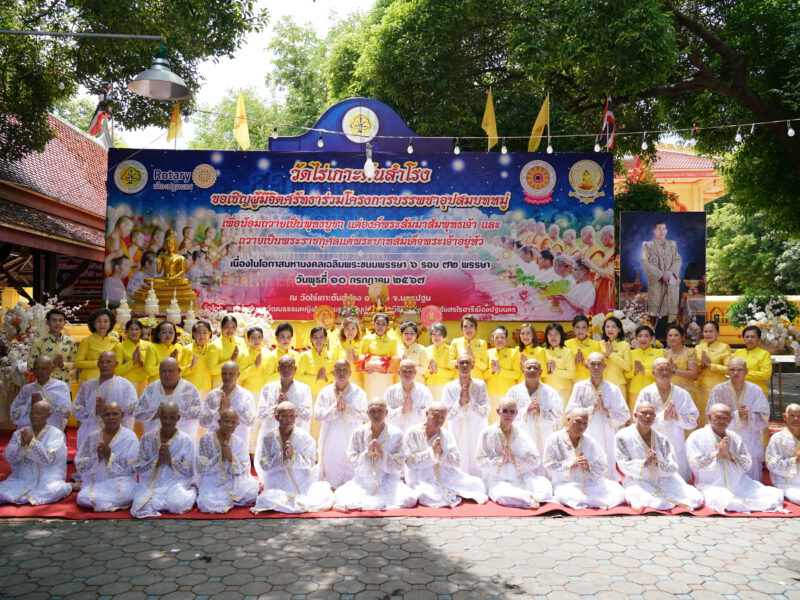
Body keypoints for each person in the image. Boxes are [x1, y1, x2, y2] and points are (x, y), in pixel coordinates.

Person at [686, 403, 783, 513]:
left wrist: (730, 456)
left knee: (776, 495)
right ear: (709, 416)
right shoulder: (697, 437)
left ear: (731, 419)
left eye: (725, 418)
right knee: (731, 502)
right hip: (710, 485)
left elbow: (747, 464)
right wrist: (716, 454)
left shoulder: (735, 437)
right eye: (717, 417)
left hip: (739, 484)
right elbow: (694, 464)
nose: (721, 421)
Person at [614, 401, 703, 511]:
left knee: (695, 499)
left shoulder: (662, 438)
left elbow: (673, 466)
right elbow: (622, 463)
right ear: (635, 415)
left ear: (655, 416)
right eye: (644, 413)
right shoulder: (622, 436)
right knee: (660, 504)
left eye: (651, 413)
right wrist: (644, 464)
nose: (647, 416)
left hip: (663, 479)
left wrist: (658, 463)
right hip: (638, 481)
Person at [332, 398, 417, 511]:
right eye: (372, 411)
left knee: (410, 499)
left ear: (386, 413)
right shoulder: (359, 432)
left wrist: (382, 454)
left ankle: (366, 504)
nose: (376, 415)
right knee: (341, 496)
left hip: (388, 481)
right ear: (367, 413)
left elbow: (400, 463)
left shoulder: (396, 433)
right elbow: (351, 458)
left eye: (380, 411)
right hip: (363, 481)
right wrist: (366, 454)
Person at [252, 401, 334, 514]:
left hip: (303, 483)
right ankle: (290, 505)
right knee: (264, 498)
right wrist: (282, 457)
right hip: (277, 485)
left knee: (324, 494)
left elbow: (310, 462)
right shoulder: (268, 438)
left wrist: (293, 456)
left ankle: (288, 505)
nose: (288, 420)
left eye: (291, 416)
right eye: (284, 416)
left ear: (296, 416)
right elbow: (264, 464)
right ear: (277, 417)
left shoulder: (304, 437)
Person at [402, 402, 488, 507]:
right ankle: (450, 493)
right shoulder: (412, 433)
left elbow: (457, 461)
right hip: (421, 477)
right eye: (436, 415)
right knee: (429, 496)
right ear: (427, 413)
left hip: (445, 474)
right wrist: (431, 452)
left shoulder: (447, 434)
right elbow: (409, 462)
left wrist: (442, 454)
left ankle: (451, 491)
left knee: (478, 484)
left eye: (442, 417)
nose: (439, 420)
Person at [476, 398, 554, 508]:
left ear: (517, 413)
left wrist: (514, 459)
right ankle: (528, 499)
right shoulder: (486, 433)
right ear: (498, 411)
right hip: (498, 479)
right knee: (502, 495)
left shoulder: (521, 434)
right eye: (505, 411)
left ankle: (525, 498)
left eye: (512, 411)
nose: (508, 414)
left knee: (544, 485)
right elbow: (480, 461)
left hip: (520, 476)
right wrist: (500, 460)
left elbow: (535, 460)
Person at [543, 407, 625, 510]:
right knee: (563, 495)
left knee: (618, 490)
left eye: (585, 423)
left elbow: (603, 464)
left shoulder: (589, 441)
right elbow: (548, 463)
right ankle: (596, 502)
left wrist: (589, 466)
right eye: (578, 421)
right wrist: (570, 465)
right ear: (568, 420)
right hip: (566, 485)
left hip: (590, 484)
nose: (581, 426)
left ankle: (591, 502)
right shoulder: (554, 438)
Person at [565, 353, 630, 480]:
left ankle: (608, 480)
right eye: (592, 364)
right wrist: (591, 409)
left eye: (599, 364)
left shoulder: (613, 389)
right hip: (585, 432)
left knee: (606, 463)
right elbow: (570, 412)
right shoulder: (579, 387)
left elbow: (625, 415)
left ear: (604, 366)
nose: (596, 368)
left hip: (607, 432)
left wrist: (605, 411)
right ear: (587, 366)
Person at [633, 358, 699, 482]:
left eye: (667, 369)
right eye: (660, 369)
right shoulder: (646, 393)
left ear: (672, 371)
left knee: (677, 480)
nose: (664, 372)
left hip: (675, 440)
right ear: (653, 372)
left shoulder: (682, 394)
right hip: (651, 439)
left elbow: (693, 420)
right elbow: (637, 419)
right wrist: (661, 417)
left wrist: (676, 417)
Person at [706, 357, 770, 481]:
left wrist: (749, 416)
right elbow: (710, 414)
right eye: (732, 370)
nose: (735, 373)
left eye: (739, 370)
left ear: (746, 371)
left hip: (748, 436)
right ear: (727, 371)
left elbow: (765, 415)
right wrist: (735, 416)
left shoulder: (755, 390)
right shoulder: (718, 390)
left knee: (749, 474)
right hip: (725, 436)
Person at [130, 401, 197, 518]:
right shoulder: (147, 438)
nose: (167, 422)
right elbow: (138, 467)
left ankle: (192, 492)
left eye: (172, 418)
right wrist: (156, 462)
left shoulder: (186, 440)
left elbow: (190, 471)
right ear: (159, 417)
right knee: (139, 505)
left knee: (176, 504)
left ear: (178, 418)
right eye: (164, 417)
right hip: (151, 484)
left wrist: (171, 461)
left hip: (176, 483)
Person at [0, 400, 72, 505]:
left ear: (48, 415)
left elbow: (48, 459)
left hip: (47, 477)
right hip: (22, 478)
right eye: (32, 413)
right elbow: (9, 458)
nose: (34, 416)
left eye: (38, 413)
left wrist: (31, 442)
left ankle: (69, 486)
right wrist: (22, 446)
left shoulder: (56, 434)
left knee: (54, 490)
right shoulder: (20, 433)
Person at [255, 355, 312, 481]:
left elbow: (307, 415)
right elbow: (260, 414)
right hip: (272, 435)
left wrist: (289, 404)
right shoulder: (268, 388)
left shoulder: (304, 389)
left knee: (293, 473)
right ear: (278, 368)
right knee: (269, 470)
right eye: (283, 366)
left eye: (289, 366)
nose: (286, 369)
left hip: (294, 435)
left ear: (295, 369)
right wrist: (276, 407)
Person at [75, 402, 140, 512]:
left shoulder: (130, 437)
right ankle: (107, 503)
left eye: (115, 414)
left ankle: (102, 503)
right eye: (107, 414)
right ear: (101, 416)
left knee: (127, 490)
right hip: (98, 482)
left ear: (122, 415)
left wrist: (110, 457)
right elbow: (80, 463)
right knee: (81, 498)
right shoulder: (92, 437)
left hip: (121, 482)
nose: (111, 418)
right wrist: (97, 458)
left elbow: (133, 467)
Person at [314, 359, 368, 488]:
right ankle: (329, 486)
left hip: (351, 436)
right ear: (333, 373)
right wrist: (334, 409)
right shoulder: (325, 392)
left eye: (345, 370)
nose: (341, 373)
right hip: (330, 438)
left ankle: (350, 487)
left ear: (350, 373)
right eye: (338, 370)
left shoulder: (359, 392)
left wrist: (347, 408)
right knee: (330, 464)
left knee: (350, 466)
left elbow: (365, 415)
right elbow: (317, 416)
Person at [196, 408, 259, 513]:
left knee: (251, 492)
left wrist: (230, 458)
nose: (230, 425)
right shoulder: (206, 439)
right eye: (227, 421)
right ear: (219, 422)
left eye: (233, 422)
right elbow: (200, 467)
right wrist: (220, 457)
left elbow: (243, 468)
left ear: (237, 425)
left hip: (232, 480)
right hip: (212, 480)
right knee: (207, 503)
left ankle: (230, 498)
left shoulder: (239, 443)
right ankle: (230, 499)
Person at [73, 351, 138, 451]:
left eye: (108, 362)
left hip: (117, 436)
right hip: (91, 433)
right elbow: (76, 410)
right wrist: (95, 411)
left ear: (116, 364)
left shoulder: (125, 385)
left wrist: (108, 411)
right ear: (98, 364)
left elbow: (133, 409)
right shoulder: (88, 386)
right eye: (101, 362)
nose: (104, 365)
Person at [506, 358, 563, 473]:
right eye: (528, 367)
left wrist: (540, 411)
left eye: (535, 368)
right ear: (523, 370)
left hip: (544, 437)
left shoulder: (550, 392)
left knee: (544, 468)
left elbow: (558, 416)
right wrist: (525, 411)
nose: (532, 370)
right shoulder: (514, 391)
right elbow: (505, 415)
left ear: (541, 372)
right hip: (521, 437)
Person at [442, 354, 490, 476]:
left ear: (472, 366)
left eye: (467, 363)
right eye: (461, 363)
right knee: (459, 452)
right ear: (456, 366)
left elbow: (485, 411)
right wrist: (460, 403)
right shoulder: (449, 387)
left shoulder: (480, 385)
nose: (464, 366)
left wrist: (470, 402)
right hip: (457, 428)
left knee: (476, 451)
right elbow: (447, 414)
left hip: (476, 427)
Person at [135, 357, 202, 439]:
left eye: (170, 371)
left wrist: (175, 413)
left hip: (183, 442)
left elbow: (199, 412)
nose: (167, 374)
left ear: (179, 371)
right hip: (155, 441)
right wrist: (156, 414)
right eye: (163, 371)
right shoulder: (151, 389)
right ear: (159, 372)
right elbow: (138, 413)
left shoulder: (189, 389)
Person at [199, 361, 256, 446]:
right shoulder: (212, 395)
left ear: (238, 375)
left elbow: (250, 421)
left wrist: (230, 409)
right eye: (224, 373)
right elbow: (202, 422)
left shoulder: (246, 395)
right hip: (215, 441)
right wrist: (217, 412)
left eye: (231, 374)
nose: (227, 377)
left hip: (238, 441)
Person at [11, 356, 71, 431]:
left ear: (51, 369)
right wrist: (29, 404)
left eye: (43, 368)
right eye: (36, 368)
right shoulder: (27, 389)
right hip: (29, 431)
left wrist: (44, 402)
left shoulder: (61, 387)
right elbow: (14, 414)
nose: (39, 372)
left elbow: (66, 413)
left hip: (52, 433)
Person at [297, 325, 335, 439]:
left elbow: (335, 374)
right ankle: (313, 454)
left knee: (327, 423)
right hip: (311, 394)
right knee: (313, 424)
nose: (318, 340)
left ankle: (323, 454)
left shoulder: (331, 355)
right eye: (316, 337)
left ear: (326, 339)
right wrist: (316, 378)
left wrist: (327, 377)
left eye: (321, 337)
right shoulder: (305, 355)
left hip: (327, 395)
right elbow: (298, 376)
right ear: (311, 339)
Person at [642, 221, 682, 321]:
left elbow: (678, 260)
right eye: (659, 228)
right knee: (656, 309)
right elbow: (645, 263)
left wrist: (670, 272)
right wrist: (660, 274)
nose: (661, 231)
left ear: (667, 231)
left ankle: (669, 331)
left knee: (670, 309)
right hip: (656, 283)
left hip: (670, 281)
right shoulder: (647, 245)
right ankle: (657, 332)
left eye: (664, 229)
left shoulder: (672, 245)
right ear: (654, 231)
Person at [27, 308, 76, 386]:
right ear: (47, 322)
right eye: (54, 320)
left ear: (64, 323)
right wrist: (52, 364)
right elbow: (30, 366)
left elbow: (75, 364)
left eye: (60, 320)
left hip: (64, 385)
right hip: (44, 385)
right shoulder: (39, 342)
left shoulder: (70, 342)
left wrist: (63, 365)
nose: (57, 323)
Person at [695, 321, 731, 427]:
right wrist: (701, 365)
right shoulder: (699, 347)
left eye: (711, 331)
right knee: (700, 416)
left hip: (717, 388)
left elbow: (729, 369)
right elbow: (693, 366)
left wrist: (711, 366)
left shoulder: (724, 347)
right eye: (705, 331)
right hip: (700, 388)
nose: (708, 334)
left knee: (715, 415)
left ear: (718, 333)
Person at [484, 326, 521, 424]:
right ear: (492, 339)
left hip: (508, 393)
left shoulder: (513, 353)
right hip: (491, 393)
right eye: (496, 337)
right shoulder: (488, 353)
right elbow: (484, 374)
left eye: (502, 337)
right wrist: (492, 370)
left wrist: (500, 370)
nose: (499, 340)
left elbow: (517, 374)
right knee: (492, 421)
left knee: (509, 422)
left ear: (507, 339)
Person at [384, 359, 433, 431]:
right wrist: (402, 410)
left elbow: (430, 415)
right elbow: (384, 414)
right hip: (396, 432)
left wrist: (413, 408)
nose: (407, 374)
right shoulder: (391, 391)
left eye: (410, 371)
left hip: (417, 432)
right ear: (399, 372)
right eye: (404, 371)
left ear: (415, 372)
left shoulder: (424, 391)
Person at [765, 404, 800, 503]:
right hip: (786, 481)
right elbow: (771, 464)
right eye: (792, 415)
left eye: (799, 416)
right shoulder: (777, 438)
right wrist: (794, 461)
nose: (796, 419)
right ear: (785, 416)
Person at [75, 308, 118, 387]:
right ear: (94, 324)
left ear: (110, 324)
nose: (102, 324)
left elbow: (117, 362)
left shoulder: (115, 341)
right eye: (99, 321)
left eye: (105, 321)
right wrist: (98, 363)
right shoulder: (86, 341)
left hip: (109, 381)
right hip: (88, 380)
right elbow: (78, 363)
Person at [625, 325, 664, 411]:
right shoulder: (631, 353)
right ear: (636, 338)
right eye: (640, 336)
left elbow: (661, 373)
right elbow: (625, 375)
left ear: (652, 338)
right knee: (635, 419)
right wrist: (634, 372)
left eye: (646, 336)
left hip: (653, 391)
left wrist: (644, 371)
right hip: (634, 391)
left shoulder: (659, 353)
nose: (643, 339)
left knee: (652, 418)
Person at [360, 314, 398, 401]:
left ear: (387, 326)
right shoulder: (367, 339)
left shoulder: (392, 340)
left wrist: (382, 367)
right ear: (374, 324)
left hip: (385, 376)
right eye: (378, 323)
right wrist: (368, 367)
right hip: (371, 375)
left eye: (383, 324)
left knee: (386, 400)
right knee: (371, 399)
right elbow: (362, 358)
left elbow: (394, 360)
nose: (380, 326)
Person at [180, 320, 220, 399]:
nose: (202, 336)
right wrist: (190, 367)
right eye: (199, 333)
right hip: (191, 389)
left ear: (210, 333)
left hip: (209, 388)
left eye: (205, 333)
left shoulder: (213, 349)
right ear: (193, 334)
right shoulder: (187, 349)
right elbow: (179, 370)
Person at [732, 325, 773, 399]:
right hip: (738, 391)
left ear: (759, 339)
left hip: (758, 392)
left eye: (753, 337)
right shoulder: (737, 353)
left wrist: (745, 373)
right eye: (747, 337)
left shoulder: (764, 354)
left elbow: (766, 374)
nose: (749, 339)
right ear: (743, 339)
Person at [540, 323, 575, 408]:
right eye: (550, 335)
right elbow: (540, 373)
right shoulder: (542, 351)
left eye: (556, 334)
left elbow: (571, 374)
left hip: (563, 391)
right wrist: (547, 370)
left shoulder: (567, 352)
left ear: (561, 335)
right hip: (547, 391)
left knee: (562, 420)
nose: (553, 337)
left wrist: (555, 370)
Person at [115, 319, 153, 396]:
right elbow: (117, 371)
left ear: (141, 331)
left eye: (136, 329)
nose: (134, 332)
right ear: (127, 331)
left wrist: (140, 362)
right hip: (126, 382)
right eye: (131, 329)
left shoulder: (148, 345)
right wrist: (132, 362)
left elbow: (151, 369)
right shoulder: (120, 346)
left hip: (143, 382)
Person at [237, 326, 276, 399]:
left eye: (259, 337)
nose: (256, 340)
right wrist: (255, 366)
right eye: (253, 338)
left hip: (266, 391)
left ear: (263, 339)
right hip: (250, 392)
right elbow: (239, 376)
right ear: (248, 340)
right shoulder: (244, 354)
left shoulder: (267, 352)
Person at [449, 314, 489, 380]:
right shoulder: (456, 342)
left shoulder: (482, 343)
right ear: (462, 329)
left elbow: (485, 366)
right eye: (465, 326)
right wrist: (462, 359)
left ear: (475, 328)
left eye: (471, 326)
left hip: (477, 381)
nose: (468, 329)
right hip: (459, 381)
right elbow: (449, 364)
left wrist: (473, 358)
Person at [600, 316, 631, 401]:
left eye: (613, 327)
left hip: (619, 384)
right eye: (607, 326)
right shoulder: (600, 344)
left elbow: (627, 366)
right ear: (604, 329)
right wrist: (606, 355)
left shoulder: (625, 345)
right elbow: (596, 363)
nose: (610, 329)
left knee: (620, 412)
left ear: (619, 330)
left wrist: (611, 354)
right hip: (603, 384)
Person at [564, 315, 602, 383]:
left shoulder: (596, 344)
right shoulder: (567, 344)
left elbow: (600, 365)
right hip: (572, 382)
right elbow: (563, 365)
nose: (580, 330)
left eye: (583, 327)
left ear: (588, 329)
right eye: (577, 327)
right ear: (573, 328)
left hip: (590, 381)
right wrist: (574, 362)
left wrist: (584, 362)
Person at [664, 324, 699, 398]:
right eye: (670, 335)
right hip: (668, 391)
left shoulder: (690, 352)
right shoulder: (665, 353)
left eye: (676, 335)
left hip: (686, 392)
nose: (672, 338)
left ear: (682, 337)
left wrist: (675, 370)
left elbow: (694, 375)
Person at [211, 316, 246, 388]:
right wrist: (231, 360)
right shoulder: (214, 345)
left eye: (233, 327)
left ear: (236, 329)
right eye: (227, 327)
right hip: (221, 383)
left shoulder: (241, 342)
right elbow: (213, 370)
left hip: (239, 382)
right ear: (221, 327)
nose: (230, 330)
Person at [424, 322, 454, 403]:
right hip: (430, 386)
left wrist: (438, 370)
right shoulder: (426, 350)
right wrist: (430, 371)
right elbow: (424, 372)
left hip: (445, 386)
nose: (437, 337)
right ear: (431, 336)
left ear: (444, 336)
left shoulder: (450, 350)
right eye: (434, 334)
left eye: (440, 334)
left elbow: (453, 373)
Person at [334, 317, 363, 386]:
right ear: (343, 331)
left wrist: (356, 360)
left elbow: (365, 363)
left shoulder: (362, 344)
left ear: (357, 330)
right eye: (347, 329)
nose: (350, 331)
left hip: (357, 380)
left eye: (353, 328)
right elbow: (333, 364)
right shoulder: (337, 345)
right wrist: (346, 360)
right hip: (341, 381)